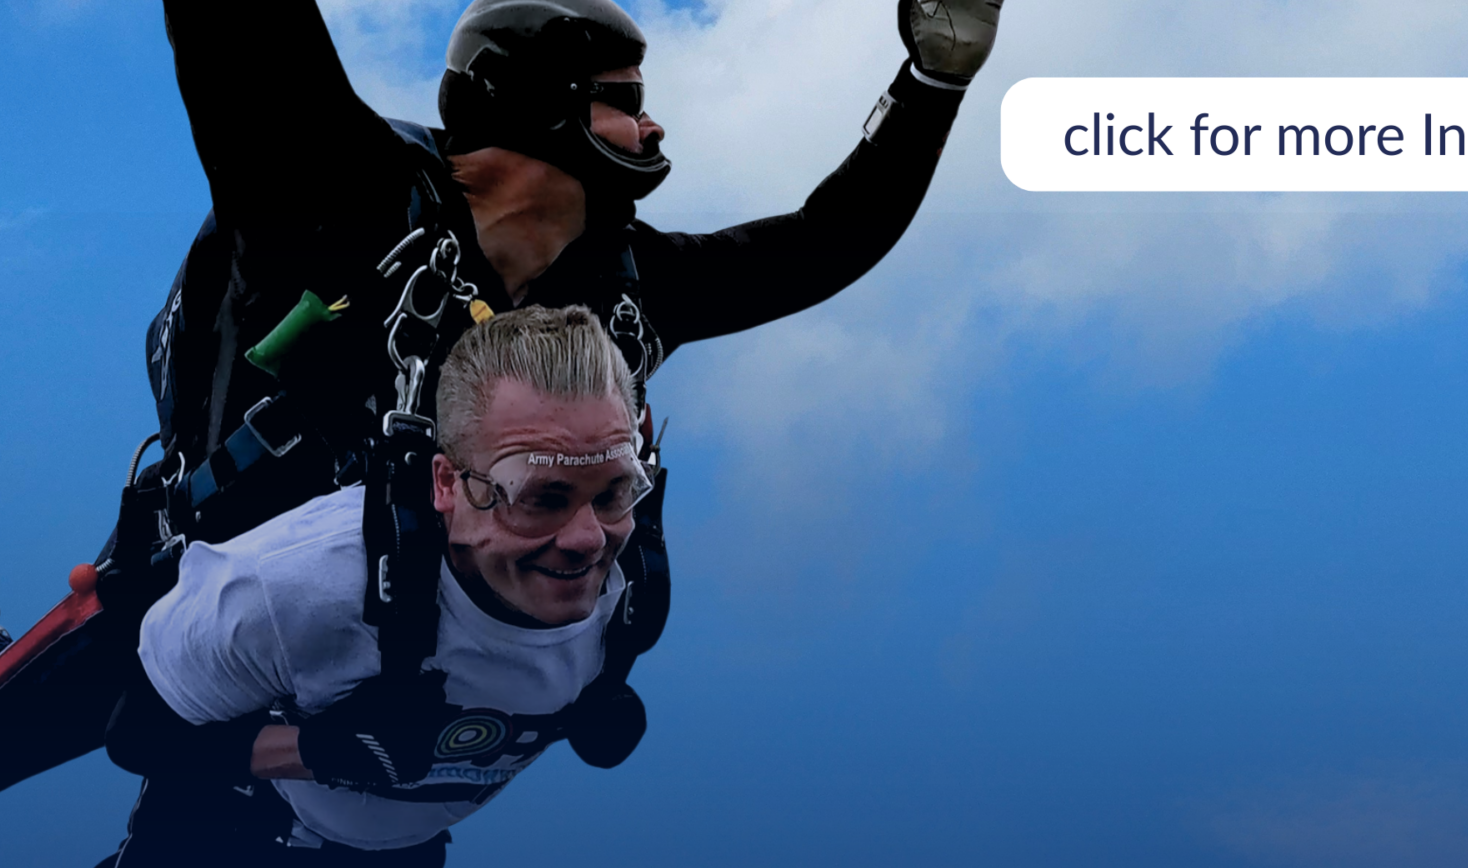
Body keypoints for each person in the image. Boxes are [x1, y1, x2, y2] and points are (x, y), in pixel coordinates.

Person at [147, 0, 1008, 535]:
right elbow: (240, 29)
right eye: (626, 101)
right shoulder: (329, 187)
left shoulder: (627, 288)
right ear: (535, 108)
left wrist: (936, 80)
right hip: (197, 581)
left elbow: (825, 241)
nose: (655, 129)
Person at [76, 306, 650, 868]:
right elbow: (134, 734)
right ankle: (190, 820)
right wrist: (313, 750)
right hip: (238, 794)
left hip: (393, 821)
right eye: (542, 498)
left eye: (613, 492)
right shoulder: (295, 586)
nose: (586, 540)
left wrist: (592, 704)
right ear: (447, 486)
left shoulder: (634, 577)